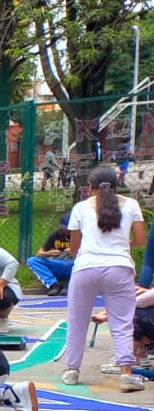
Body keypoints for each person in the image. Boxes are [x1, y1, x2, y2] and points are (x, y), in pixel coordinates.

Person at [62, 164, 148, 391]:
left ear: (90, 187)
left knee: (77, 320)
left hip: (86, 267)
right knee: (122, 322)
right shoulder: (131, 205)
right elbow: (140, 239)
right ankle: (126, 373)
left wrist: (77, 252)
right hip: (120, 267)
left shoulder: (81, 207)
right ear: (117, 183)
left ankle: (72, 370)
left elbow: (74, 245)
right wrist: (123, 248)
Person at [26, 216, 75, 294]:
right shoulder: (55, 234)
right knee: (32, 260)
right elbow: (39, 253)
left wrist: (74, 250)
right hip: (58, 263)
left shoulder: (81, 234)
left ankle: (71, 285)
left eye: (68, 228)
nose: (66, 230)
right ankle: (53, 284)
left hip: (75, 264)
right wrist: (49, 253)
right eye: (64, 228)